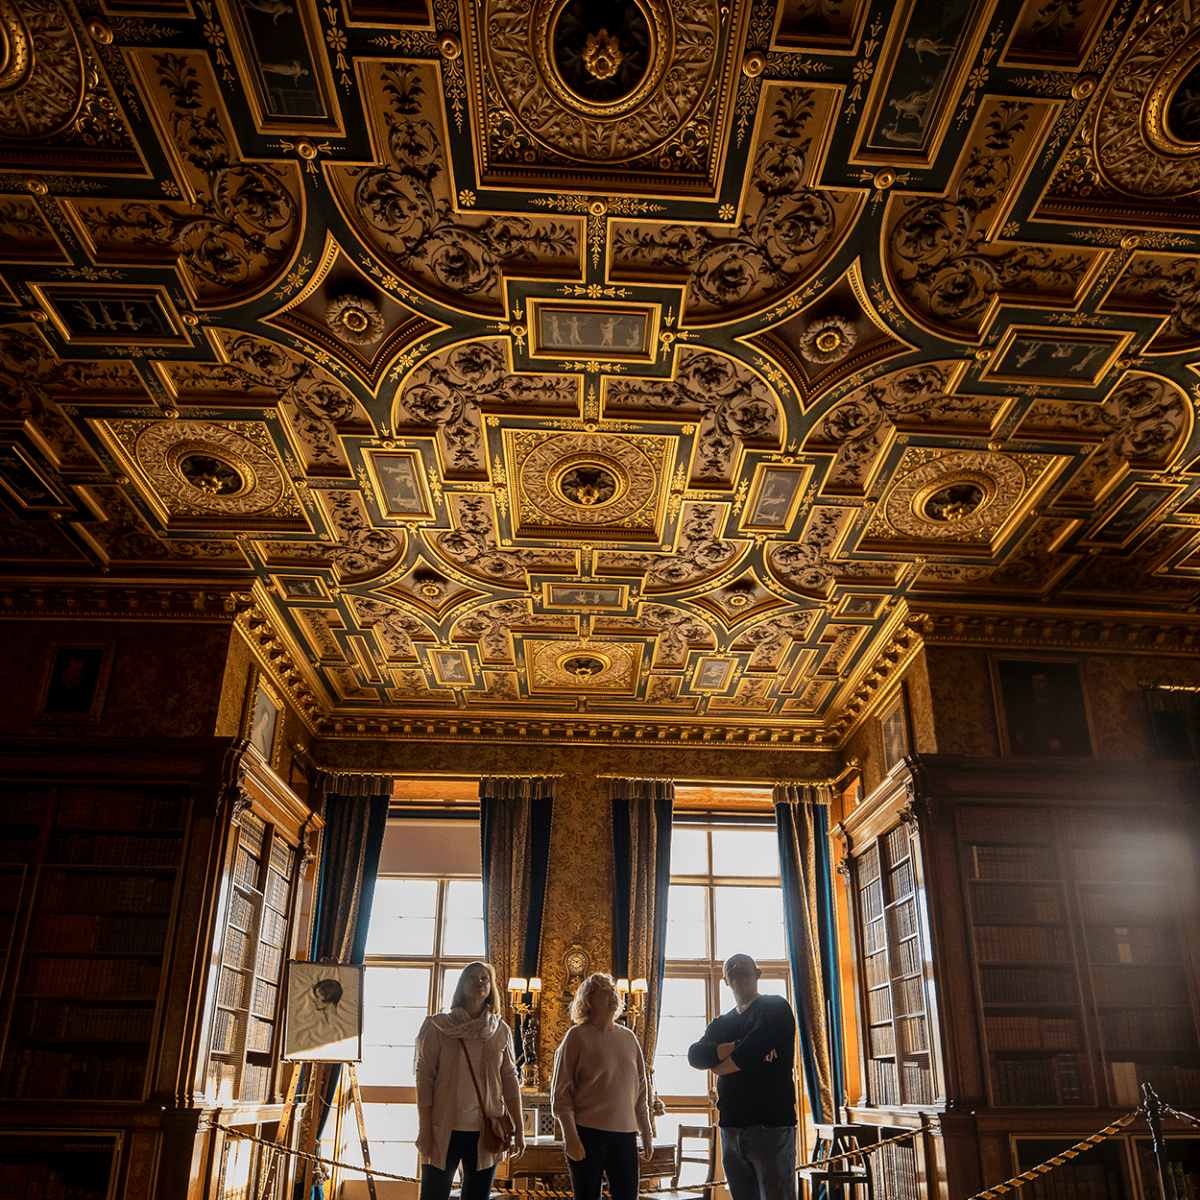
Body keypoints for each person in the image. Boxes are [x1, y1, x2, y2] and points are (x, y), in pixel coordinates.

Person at [687, 954, 797, 1200]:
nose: (736, 968)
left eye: (742, 965)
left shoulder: (774, 1007)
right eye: (730, 967)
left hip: (770, 1127)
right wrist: (737, 1047)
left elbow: (753, 1048)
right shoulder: (722, 1022)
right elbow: (695, 1055)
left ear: (758, 973)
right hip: (731, 1129)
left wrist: (719, 1063)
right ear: (725, 980)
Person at [414, 961, 525, 1200]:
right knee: (433, 1195)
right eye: (472, 977)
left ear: (491, 988)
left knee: (476, 1196)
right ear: (461, 985)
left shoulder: (500, 1030)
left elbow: (509, 1079)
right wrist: (424, 1127)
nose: (480, 981)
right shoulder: (438, 1026)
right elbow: (424, 1077)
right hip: (442, 1127)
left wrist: (519, 1129)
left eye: (485, 978)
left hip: (487, 1131)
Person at [551, 973, 654, 1200]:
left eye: (613, 990)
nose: (612, 995)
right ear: (588, 1000)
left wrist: (646, 1131)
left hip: (625, 1135)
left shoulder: (628, 1037)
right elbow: (561, 1093)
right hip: (587, 1134)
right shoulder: (576, 1037)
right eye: (603, 991)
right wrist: (570, 1135)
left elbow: (641, 1089)